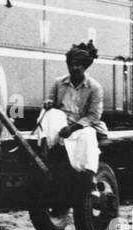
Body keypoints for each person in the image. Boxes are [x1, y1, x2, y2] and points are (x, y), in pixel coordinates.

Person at [36, 40, 107, 178]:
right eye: (71, 64)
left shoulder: (94, 87)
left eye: (78, 65)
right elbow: (51, 103)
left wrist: (73, 128)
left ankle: (88, 176)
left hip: (82, 126)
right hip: (61, 126)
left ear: (85, 66)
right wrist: (48, 104)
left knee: (88, 137)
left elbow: (94, 116)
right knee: (49, 115)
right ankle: (45, 152)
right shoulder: (59, 83)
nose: (74, 68)